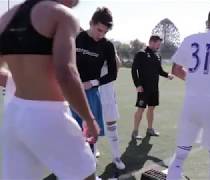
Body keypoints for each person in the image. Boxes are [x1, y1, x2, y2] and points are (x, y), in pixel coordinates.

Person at [0, 0, 99, 179]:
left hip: (13, 117)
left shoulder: (6, 18)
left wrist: (25, 79)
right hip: (48, 116)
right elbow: (66, 73)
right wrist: (89, 119)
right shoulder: (62, 15)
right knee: (86, 176)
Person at [167, 7, 210, 179]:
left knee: (179, 157)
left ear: (208, 22)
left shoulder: (190, 39)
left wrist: (193, 80)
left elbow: (175, 69)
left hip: (191, 103)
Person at [71, 7, 116, 155]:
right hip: (69, 91)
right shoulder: (77, 38)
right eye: (98, 30)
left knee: (88, 137)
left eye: (104, 32)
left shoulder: (107, 46)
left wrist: (92, 83)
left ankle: (88, 171)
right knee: (70, 134)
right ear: (91, 23)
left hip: (90, 94)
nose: (101, 35)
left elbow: (113, 74)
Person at [131, 35, 174, 139]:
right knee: (141, 109)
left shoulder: (158, 56)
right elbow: (133, 70)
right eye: (158, 44)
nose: (159, 46)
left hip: (154, 88)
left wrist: (167, 75)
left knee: (151, 108)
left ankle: (150, 130)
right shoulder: (141, 54)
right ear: (151, 42)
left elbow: (160, 71)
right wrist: (138, 85)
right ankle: (135, 131)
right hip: (143, 88)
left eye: (159, 44)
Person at [98, 51, 126, 169]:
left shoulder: (107, 46)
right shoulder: (84, 45)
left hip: (108, 91)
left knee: (111, 123)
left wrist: (112, 54)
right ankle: (92, 152)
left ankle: (116, 157)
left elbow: (118, 65)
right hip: (91, 89)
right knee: (91, 122)